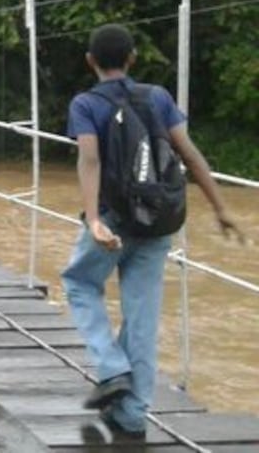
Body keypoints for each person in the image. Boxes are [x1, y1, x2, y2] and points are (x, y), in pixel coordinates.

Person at [62, 24, 242, 440]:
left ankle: (110, 368)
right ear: (133, 59)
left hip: (113, 218)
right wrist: (220, 208)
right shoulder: (158, 97)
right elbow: (190, 155)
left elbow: (89, 161)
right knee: (141, 315)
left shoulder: (86, 104)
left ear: (91, 61)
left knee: (78, 282)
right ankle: (132, 415)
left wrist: (93, 219)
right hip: (159, 220)